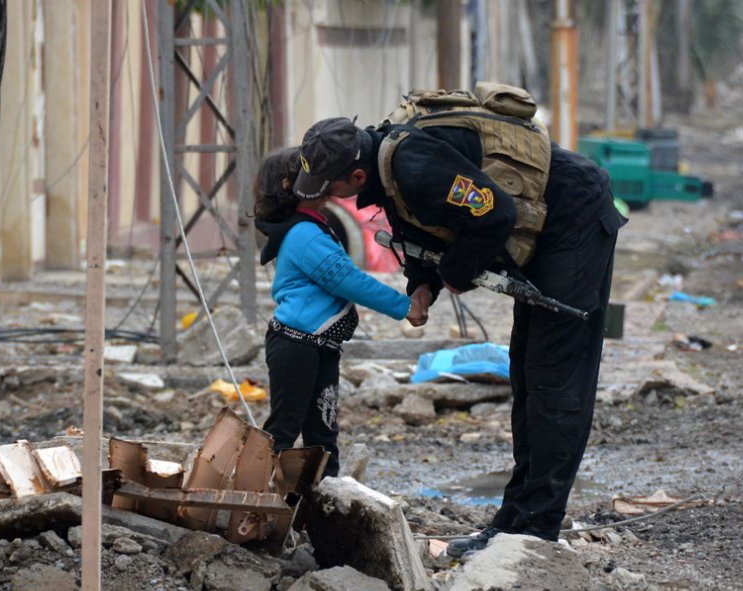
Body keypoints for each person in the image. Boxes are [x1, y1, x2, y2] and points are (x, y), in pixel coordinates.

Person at [293, 107, 626, 553]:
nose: (328, 199)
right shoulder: (383, 168)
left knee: (555, 375)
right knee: (526, 371)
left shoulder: (413, 166)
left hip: (574, 218)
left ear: (354, 177)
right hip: (550, 225)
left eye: (330, 189)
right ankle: (514, 522)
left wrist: (455, 274)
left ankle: (535, 530)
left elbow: (494, 214)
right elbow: (424, 228)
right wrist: (423, 286)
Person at [254, 147, 415, 478]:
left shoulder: (314, 227)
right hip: (295, 345)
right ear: (291, 185)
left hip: (320, 345)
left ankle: (324, 501)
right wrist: (404, 307)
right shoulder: (304, 234)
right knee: (285, 429)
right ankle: (257, 497)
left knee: (323, 430)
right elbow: (347, 280)